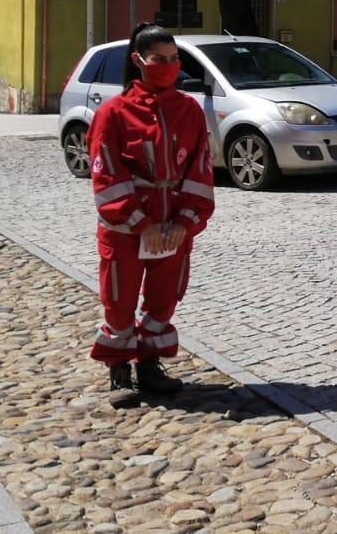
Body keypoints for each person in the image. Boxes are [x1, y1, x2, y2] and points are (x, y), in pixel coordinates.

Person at [88, 24, 216, 408]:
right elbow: (106, 175)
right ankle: (119, 370)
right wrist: (141, 224)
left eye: (175, 59)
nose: (169, 66)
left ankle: (149, 366)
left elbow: (200, 169)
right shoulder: (113, 113)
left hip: (173, 228)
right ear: (138, 61)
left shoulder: (189, 110)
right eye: (160, 60)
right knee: (119, 299)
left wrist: (183, 222)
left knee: (164, 299)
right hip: (126, 230)